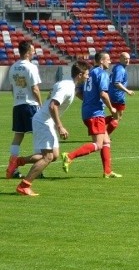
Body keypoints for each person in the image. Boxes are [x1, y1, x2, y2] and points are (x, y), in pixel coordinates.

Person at [14, 61, 90, 196]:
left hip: (44, 120)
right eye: (86, 74)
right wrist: (60, 126)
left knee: (54, 155)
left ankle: (19, 161)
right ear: (80, 75)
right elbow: (52, 106)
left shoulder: (66, 84)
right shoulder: (67, 87)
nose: (88, 77)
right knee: (48, 157)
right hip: (43, 121)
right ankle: (24, 185)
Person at [61, 51, 122, 178]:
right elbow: (103, 94)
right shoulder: (102, 74)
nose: (110, 62)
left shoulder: (90, 73)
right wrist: (112, 109)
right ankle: (69, 156)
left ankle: (107, 171)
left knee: (106, 141)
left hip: (87, 112)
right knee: (98, 144)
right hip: (96, 114)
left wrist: (88, 100)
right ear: (101, 61)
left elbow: (77, 91)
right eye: (108, 59)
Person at [6, 40, 42, 179]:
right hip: (30, 104)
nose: (34, 52)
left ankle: (12, 167)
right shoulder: (31, 67)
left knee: (18, 135)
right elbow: (35, 88)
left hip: (18, 105)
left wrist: (17, 100)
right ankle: (38, 169)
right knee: (38, 135)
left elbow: (12, 88)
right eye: (32, 50)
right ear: (27, 52)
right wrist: (40, 104)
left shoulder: (13, 67)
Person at [107, 51, 134, 134]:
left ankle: (101, 127)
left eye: (128, 59)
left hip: (114, 94)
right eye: (125, 59)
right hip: (117, 95)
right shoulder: (120, 69)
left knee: (116, 116)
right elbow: (117, 83)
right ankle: (104, 134)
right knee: (118, 117)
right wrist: (127, 91)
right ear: (120, 59)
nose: (127, 60)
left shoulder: (117, 67)